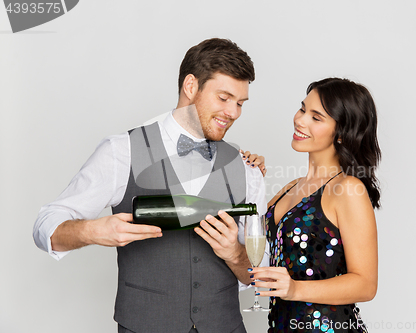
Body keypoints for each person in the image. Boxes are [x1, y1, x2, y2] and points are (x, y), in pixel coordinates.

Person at [33, 38, 267, 333]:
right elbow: (46, 226)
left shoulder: (247, 170)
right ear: (191, 86)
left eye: (240, 103)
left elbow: (259, 273)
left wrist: (235, 253)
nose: (233, 112)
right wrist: (93, 230)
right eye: (224, 98)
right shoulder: (122, 151)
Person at [250, 78, 380, 333]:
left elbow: (366, 284)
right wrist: (249, 176)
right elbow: (256, 250)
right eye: (302, 109)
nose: (300, 120)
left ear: (341, 133)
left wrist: (296, 289)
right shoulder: (289, 188)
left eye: (316, 117)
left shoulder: (348, 189)